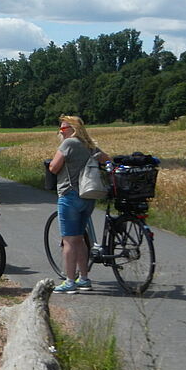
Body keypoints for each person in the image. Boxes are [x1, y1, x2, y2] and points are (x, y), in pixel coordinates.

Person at [47, 115, 111, 293]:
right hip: (88, 196)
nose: (60, 132)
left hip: (69, 195)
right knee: (81, 238)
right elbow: (107, 159)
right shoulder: (89, 145)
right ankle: (84, 278)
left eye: (62, 128)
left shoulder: (69, 144)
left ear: (71, 129)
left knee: (68, 240)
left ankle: (69, 281)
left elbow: (53, 167)